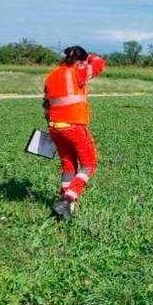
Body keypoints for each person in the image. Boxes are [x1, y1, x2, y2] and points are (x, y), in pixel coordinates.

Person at [43, 46, 107, 220]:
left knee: (69, 166)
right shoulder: (77, 72)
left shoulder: (51, 76)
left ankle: (65, 205)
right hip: (73, 126)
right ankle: (68, 199)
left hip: (55, 127)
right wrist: (90, 57)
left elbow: (46, 105)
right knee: (89, 164)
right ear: (79, 62)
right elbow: (99, 64)